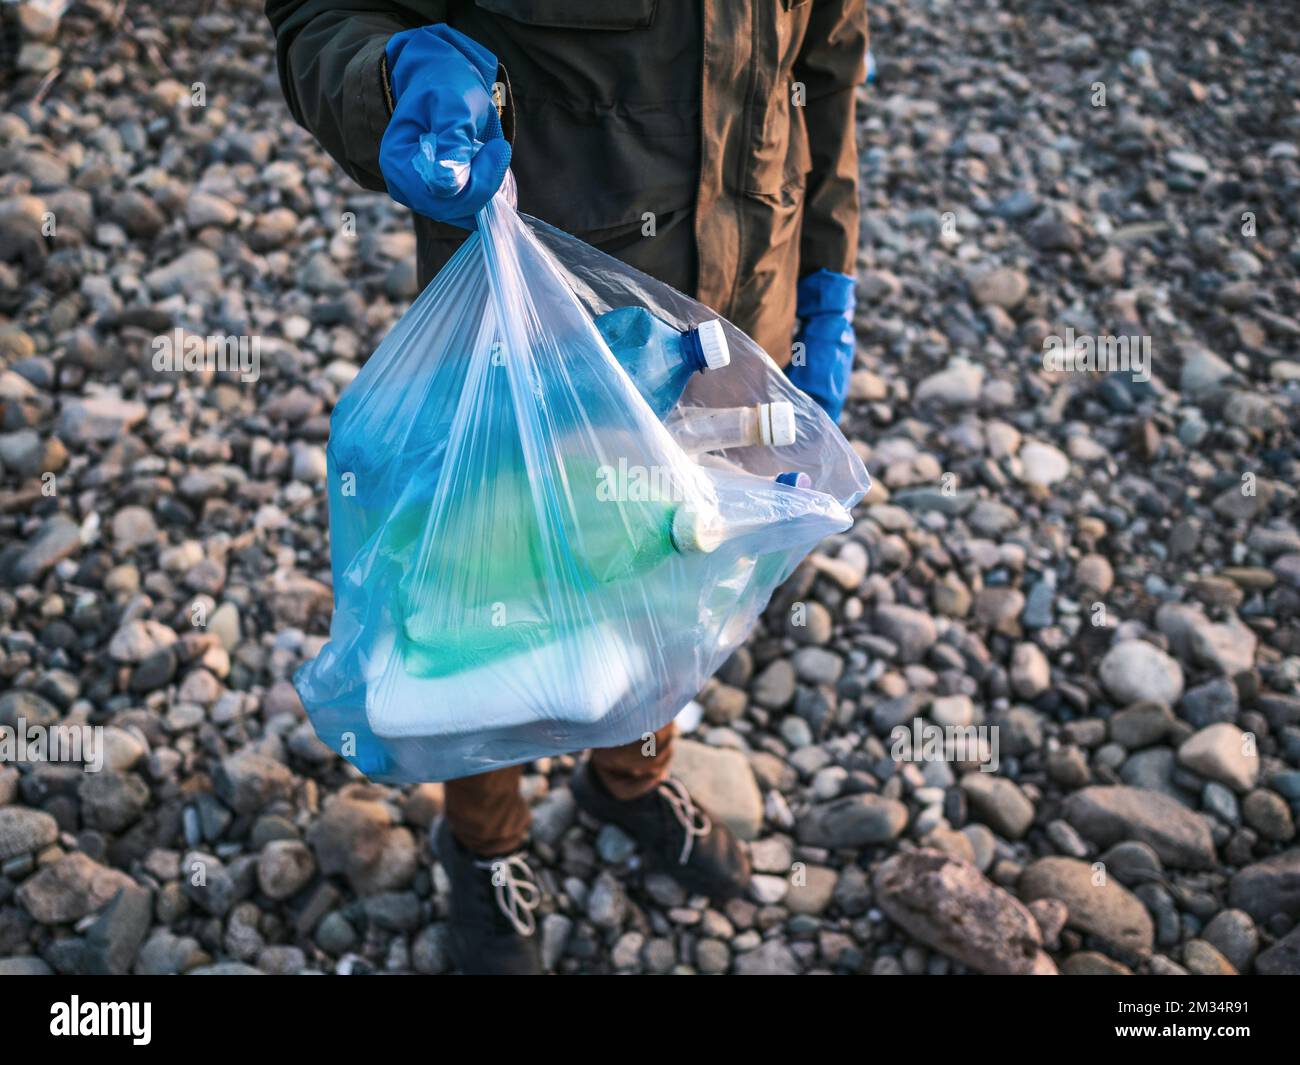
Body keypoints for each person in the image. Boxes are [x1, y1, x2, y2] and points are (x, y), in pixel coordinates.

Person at [266, 0, 867, 974]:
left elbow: (825, 65)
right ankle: (485, 839)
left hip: (738, 307)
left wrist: (828, 275)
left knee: (676, 569)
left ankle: (628, 780)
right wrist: (391, 79)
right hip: (537, 329)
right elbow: (321, 15)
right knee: (488, 605)